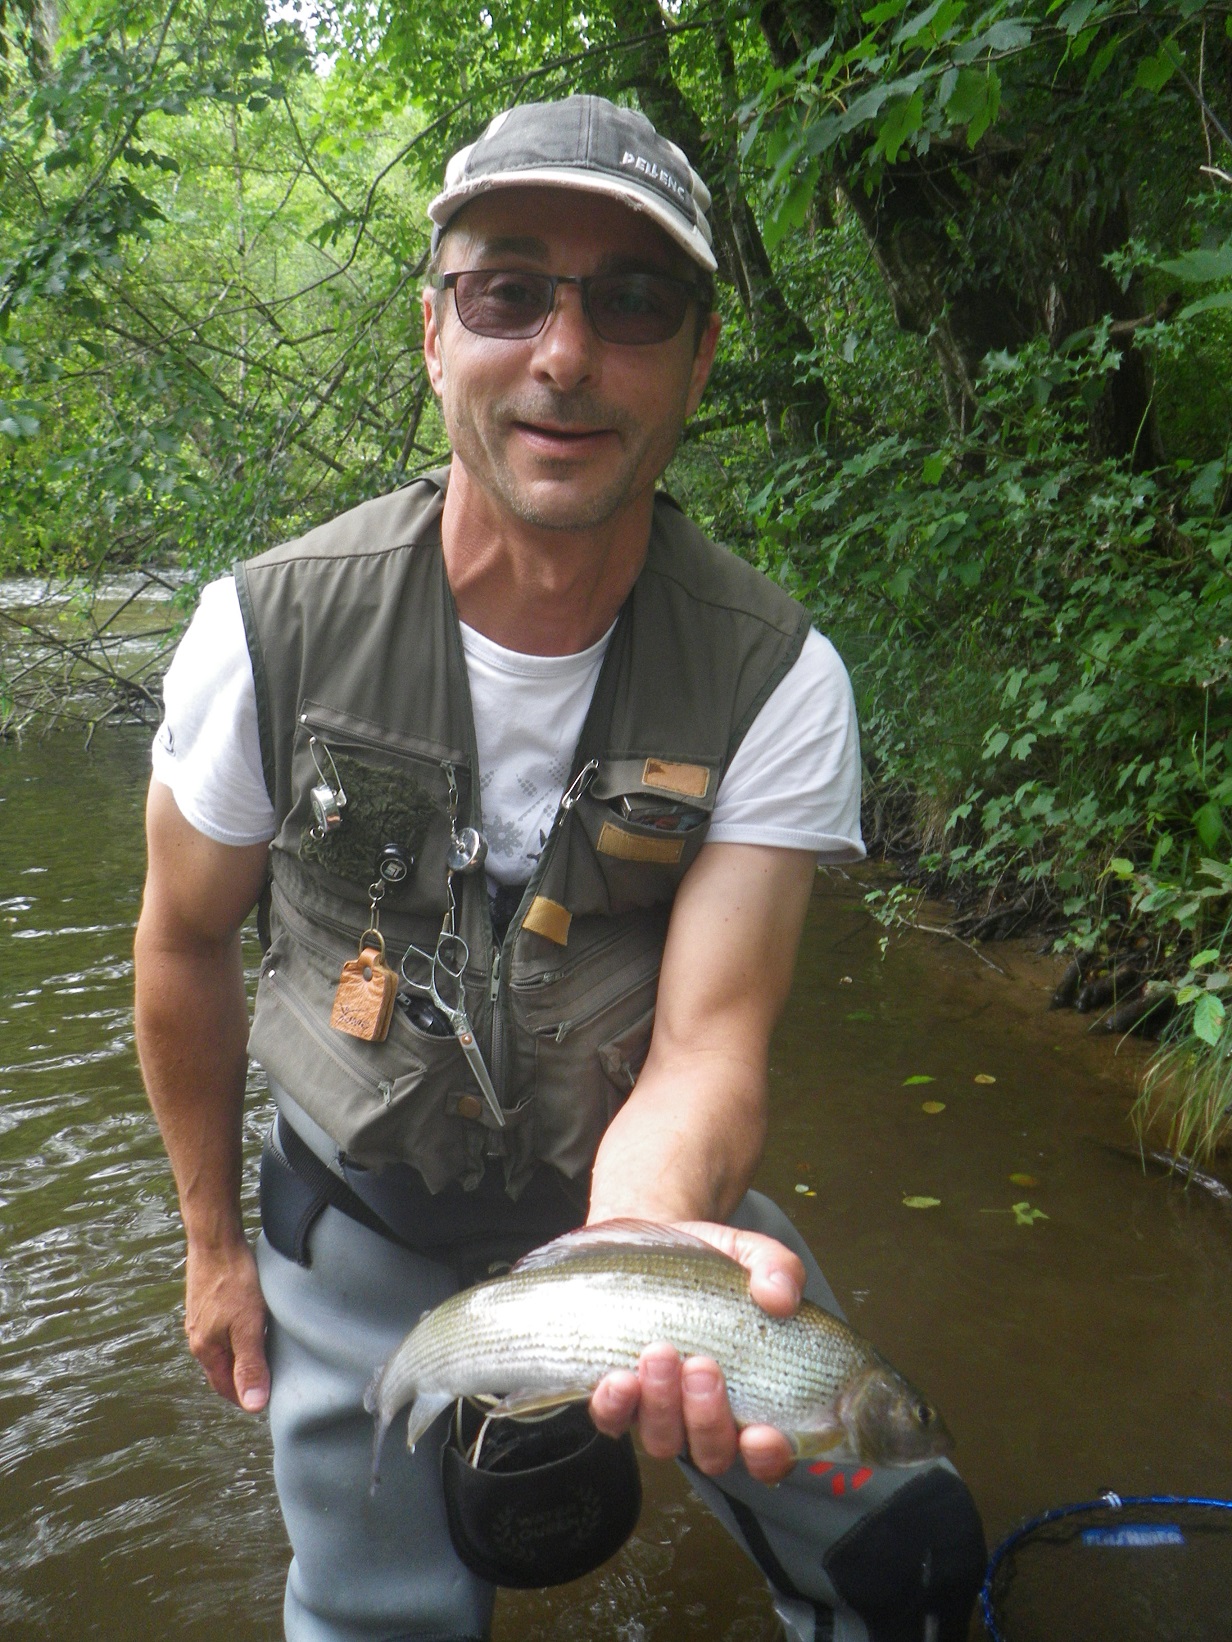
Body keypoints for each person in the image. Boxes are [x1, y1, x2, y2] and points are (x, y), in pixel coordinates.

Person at [134, 93, 985, 1642]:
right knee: (373, 1618)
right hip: (357, 1218)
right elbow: (181, 947)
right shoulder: (259, 637)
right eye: (508, 287)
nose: (566, 354)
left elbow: (712, 1043)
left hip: (643, 1230)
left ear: (701, 358)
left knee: (915, 1546)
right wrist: (211, 1249)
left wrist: (636, 1249)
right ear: (435, 332)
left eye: (634, 299)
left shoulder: (780, 683)